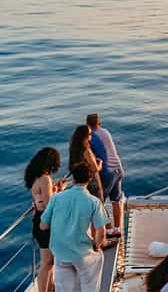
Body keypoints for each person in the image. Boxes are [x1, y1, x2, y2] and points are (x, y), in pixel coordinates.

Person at [39, 162, 109, 292]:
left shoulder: (56, 198)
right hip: (82, 254)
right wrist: (96, 245)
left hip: (60, 253)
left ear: (74, 179)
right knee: (95, 265)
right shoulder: (94, 202)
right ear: (90, 179)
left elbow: (43, 225)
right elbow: (101, 234)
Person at [25, 147, 67, 292]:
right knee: (47, 262)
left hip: (39, 219)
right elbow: (50, 204)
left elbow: (42, 199)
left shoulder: (36, 177)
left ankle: (49, 288)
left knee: (49, 261)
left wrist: (55, 190)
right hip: (45, 222)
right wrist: (60, 190)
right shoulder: (45, 178)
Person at [87, 113, 125, 237]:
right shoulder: (105, 132)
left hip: (107, 172)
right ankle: (118, 228)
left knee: (100, 202)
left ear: (88, 125)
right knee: (116, 200)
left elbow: (93, 158)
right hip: (118, 168)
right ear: (99, 123)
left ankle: (108, 229)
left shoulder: (91, 137)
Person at [69, 125, 104, 202]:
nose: (91, 135)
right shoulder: (86, 150)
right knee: (97, 204)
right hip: (90, 181)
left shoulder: (73, 149)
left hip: (78, 182)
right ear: (85, 136)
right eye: (90, 134)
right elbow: (95, 169)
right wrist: (100, 163)